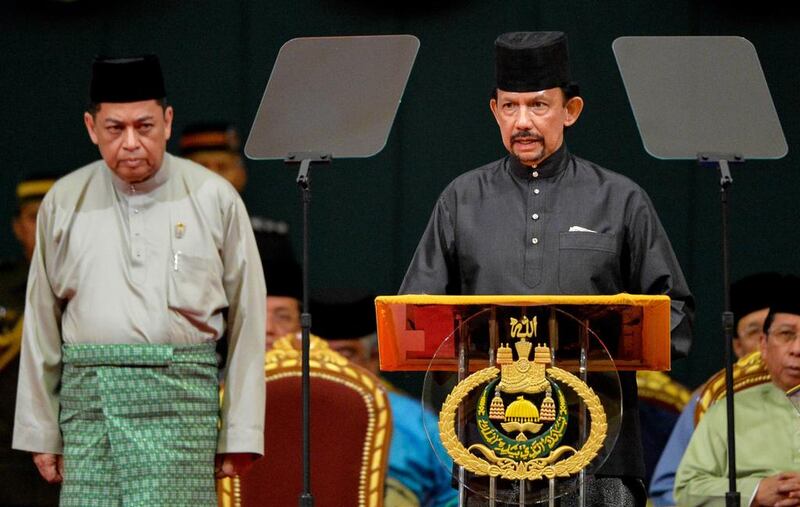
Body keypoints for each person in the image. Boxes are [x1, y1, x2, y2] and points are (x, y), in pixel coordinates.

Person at [400, 31, 694, 505]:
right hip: (490, 447)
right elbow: (417, 317)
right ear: (494, 111)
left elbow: (676, 316)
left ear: (570, 110)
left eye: (538, 106)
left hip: (601, 443)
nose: (523, 122)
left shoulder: (619, 199)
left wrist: (600, 340)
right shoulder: (461, 199)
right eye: (510, 107)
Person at [12, 55, 266, 506]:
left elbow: (249, 315)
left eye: (144, 126)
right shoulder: (63, 201)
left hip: (182, 411)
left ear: (167, 123)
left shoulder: (213, 197)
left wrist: (241, 429)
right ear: (92, 128)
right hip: (90, 413)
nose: (131, 142)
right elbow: (40, 325)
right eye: (115, 129)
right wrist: (40, 430)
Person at [310, 290, 459, 507]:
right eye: (322, 357)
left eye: (345, 355)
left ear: (372, 359)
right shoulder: (291, 415)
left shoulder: (417, 422)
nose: (335, 368)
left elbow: (452, 496)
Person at [649, 272, 785, 506]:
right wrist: (753, 493)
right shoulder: (713, 400)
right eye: (755, 332)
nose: (766, 342)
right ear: (737, 345)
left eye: (780, 333)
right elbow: (668, 492)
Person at [674, 293, 800, 507]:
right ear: (764, 344)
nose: (797, 350)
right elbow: (686, 491)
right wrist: (755, 491)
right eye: (786, 334)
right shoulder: (727, 410)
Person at [0, 174, 61, 506]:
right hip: (7, 448)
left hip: (75, 446)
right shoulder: (4, 287)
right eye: (34, 217)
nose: (44, 228)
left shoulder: (97, 288)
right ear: (17, 227)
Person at [180, 121, 296, 266]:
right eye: (202, 167)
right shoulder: (164, 232)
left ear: (241, 174)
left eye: (223, 167)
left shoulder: (269, 241)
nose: (213, 177)